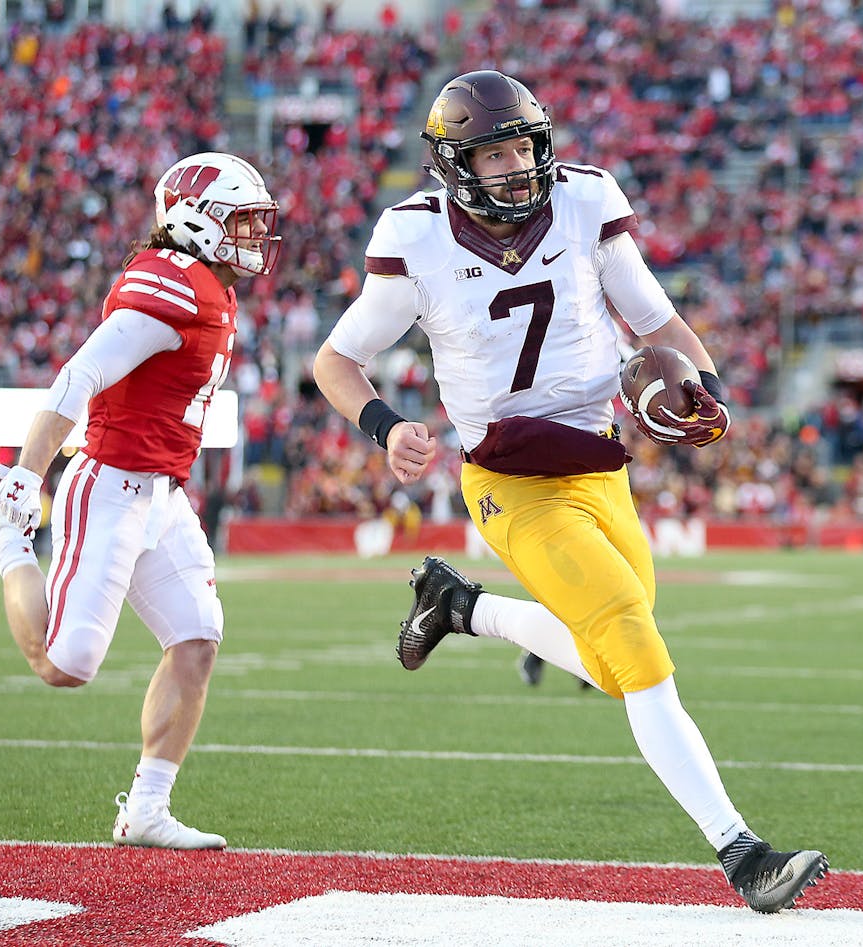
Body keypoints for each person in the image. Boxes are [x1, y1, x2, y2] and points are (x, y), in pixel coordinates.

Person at [313, 70, 827, 913]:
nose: (516, 166)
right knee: (634, 644)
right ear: (455, 165)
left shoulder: (586, 199)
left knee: (618, 658)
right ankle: (743, 854)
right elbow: (335, 359)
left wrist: (703, 387)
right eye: (494, 152)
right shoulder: (415, 238)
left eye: (523, 145)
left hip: (601, 462)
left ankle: (459, 607)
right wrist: (384, 424)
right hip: (514, 483)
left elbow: (658, 324)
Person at [0, 152, 282, 849]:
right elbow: (80, 373)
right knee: (65, 665)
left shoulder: (205, 283)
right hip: (110, 486)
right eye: (240, 220)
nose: (253, 236)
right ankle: (4, 540)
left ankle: (147, 809)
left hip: (162, 493)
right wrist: (27, 476)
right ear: (194, 221)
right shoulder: (170, 283)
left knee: (197, 637)